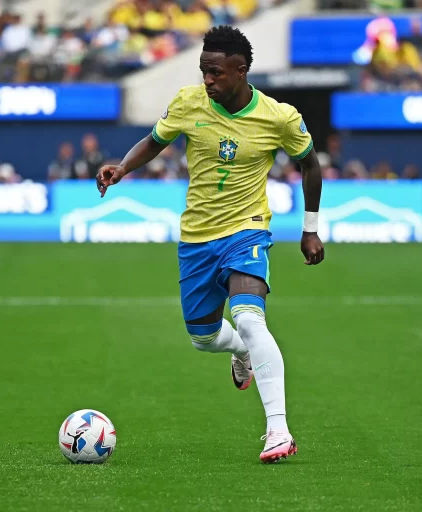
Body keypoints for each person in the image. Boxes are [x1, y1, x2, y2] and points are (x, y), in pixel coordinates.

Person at [96, 26, 324, 464]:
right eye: (203, 71)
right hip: (197, 238)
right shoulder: (188, 103)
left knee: (250, 318)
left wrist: (309, 229)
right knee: (203, 338)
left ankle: (278, 429)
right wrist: (122, 168)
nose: (207, 80)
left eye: (216, 72)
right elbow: (155, 141)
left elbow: (310, 165)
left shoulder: (279, 117)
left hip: (248, 229)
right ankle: (240, 352)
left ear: (241, 71)